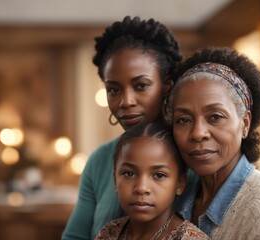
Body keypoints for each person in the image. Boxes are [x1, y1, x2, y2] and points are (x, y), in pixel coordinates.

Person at [167, 47, 260, 239]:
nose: (198, 133)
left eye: (215, 117)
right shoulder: (177, 198)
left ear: (244, 124)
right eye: (183, 120)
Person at [62, 16, 182, 240]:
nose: (126, 101)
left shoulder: (190, 157)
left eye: (141, 86)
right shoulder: (99, 160)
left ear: (167, 86)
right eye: (113, 90)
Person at [94, 123, 210, 240]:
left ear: (179, 184)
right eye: (129, 174)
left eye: (159, 175)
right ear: (115, 179)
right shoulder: (108, 232)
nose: (141, 188)